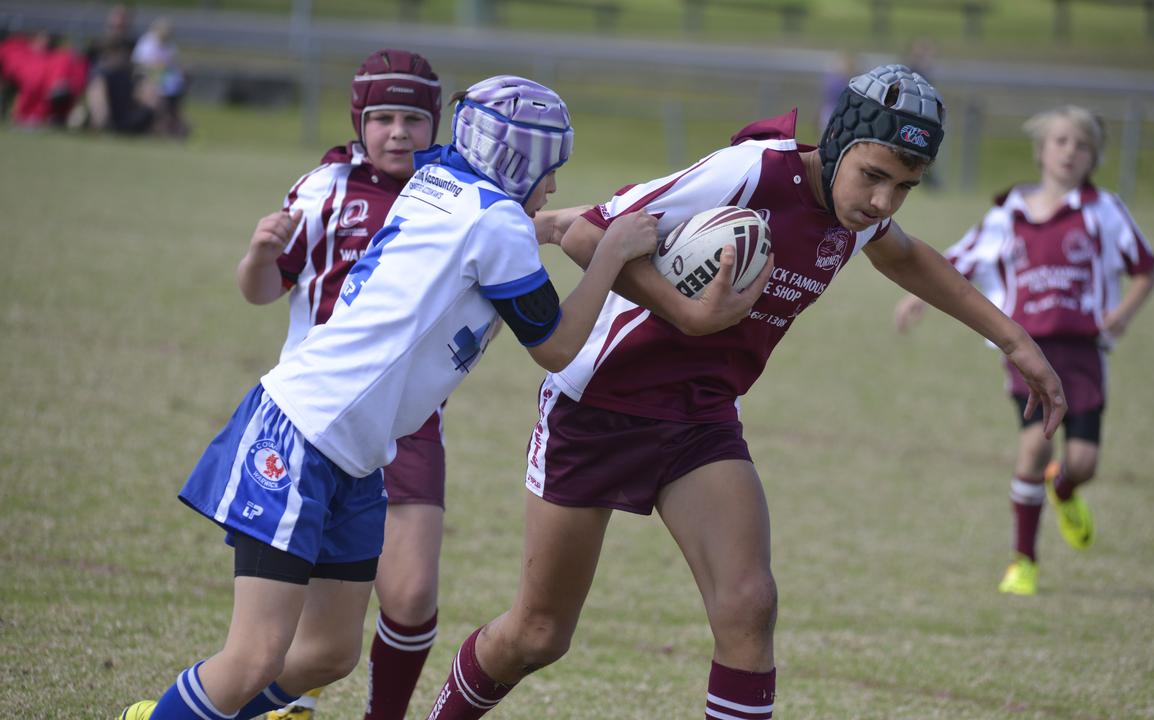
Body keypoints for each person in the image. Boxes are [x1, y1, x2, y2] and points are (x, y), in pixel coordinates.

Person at [421, 64, 1066, 719]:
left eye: (904, 187)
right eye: (873, 176)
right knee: (538, 635)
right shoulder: (752, 170)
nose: (882, 202)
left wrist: (1015, 341)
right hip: (599, 406)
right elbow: (593, 233)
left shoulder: (857, 215)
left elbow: (904, 254)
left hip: (700, 416)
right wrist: (683, 310)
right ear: (838, 144)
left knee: (749, 605)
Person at [117, 74, 658, 720]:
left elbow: (482, 237)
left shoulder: (436, 185)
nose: (555, 185)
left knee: (326, 652)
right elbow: (558, 346)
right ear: (518, 158)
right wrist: (612, 255)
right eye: (550, 169)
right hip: (303, 431)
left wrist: (542, 225)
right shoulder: (496, 226)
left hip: (355, 454)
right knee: (256, 655)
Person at [229, 49, 445, 720]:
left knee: (409, 597)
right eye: (382, 117)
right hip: (314, 418)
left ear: (436, 124)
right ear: (359, 118)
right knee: (287, 619)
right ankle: (262, 703)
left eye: (413, 117)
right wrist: (261, 252)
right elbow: (262, 292)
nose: (399, 132)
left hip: (407, 425)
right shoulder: (326, 187)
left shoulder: (455, 197)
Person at [895, 104, 1154, 596]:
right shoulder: (1008, 214)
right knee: (1035, 445)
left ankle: (1065, 489)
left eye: (1081, 145)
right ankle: (1024, 561)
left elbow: (1146, 267)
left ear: (1093, 158)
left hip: (1084, 352)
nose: (1070, 152)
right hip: (1026, 348)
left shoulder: (1104, 211)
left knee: (1083, 463)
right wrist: (916, 296)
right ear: (1040, 151)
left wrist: (1122, 313)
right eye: (1060, 141)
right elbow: (956, 260)